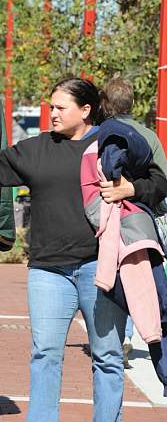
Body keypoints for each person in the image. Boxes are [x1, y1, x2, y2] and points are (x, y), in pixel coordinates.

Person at [0, 77, 167, 422]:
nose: (52, 113)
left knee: (106, 356)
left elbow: (159, 182)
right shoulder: (37, 148)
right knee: (45, 354)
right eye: (51, 107)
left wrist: (130, 188)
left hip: (99, 269)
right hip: (47, 271)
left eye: (60, 107)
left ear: (85, 110)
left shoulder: (112, 142)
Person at [101, 77, 167, 366]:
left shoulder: (101, 133)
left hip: (110, 218)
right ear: (133, 103)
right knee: (143, 274)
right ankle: (142, 333)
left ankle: (124, 334)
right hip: (142, 219)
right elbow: (162, 177)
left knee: (119, 272)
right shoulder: (148, 136)